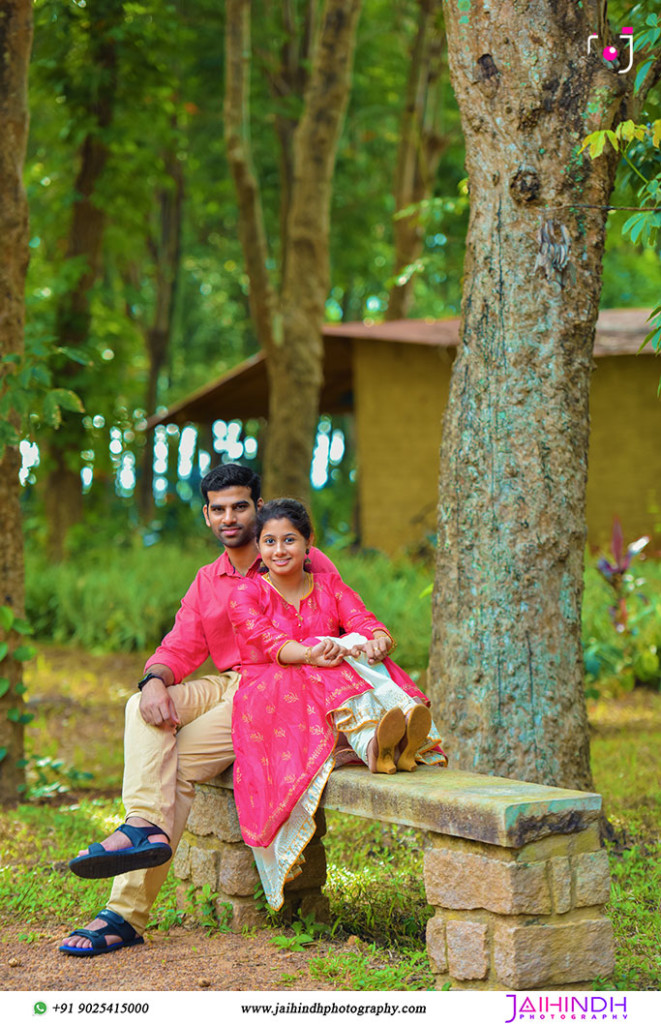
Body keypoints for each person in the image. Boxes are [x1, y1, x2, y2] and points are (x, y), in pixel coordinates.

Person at [59, 464, 339, 957]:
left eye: (240, 506)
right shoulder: (208, 580)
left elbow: (339, 619)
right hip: (230, 682)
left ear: (258, 506)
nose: (230, 517)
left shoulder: (298, 556)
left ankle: (123, 915)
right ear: (207, 514)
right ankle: (142, 824)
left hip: (280, 689)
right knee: (140, 706)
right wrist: (153, 681)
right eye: (219, 509)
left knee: (178, 766)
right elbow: (180, 646)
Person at [227, 498, 446, 910]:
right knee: (325, 655)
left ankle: (393, 746)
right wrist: (311, 652)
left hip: (324, 683)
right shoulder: (247, 593)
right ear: (258, 548)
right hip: (266, 692)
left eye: (289, 539)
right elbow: (265, 641)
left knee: (349, 650)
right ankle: (380, 745)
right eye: (270, 541)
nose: (279, 550)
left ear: (308, 542)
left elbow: (362, 619)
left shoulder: (329, 587)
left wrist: (378, 639)